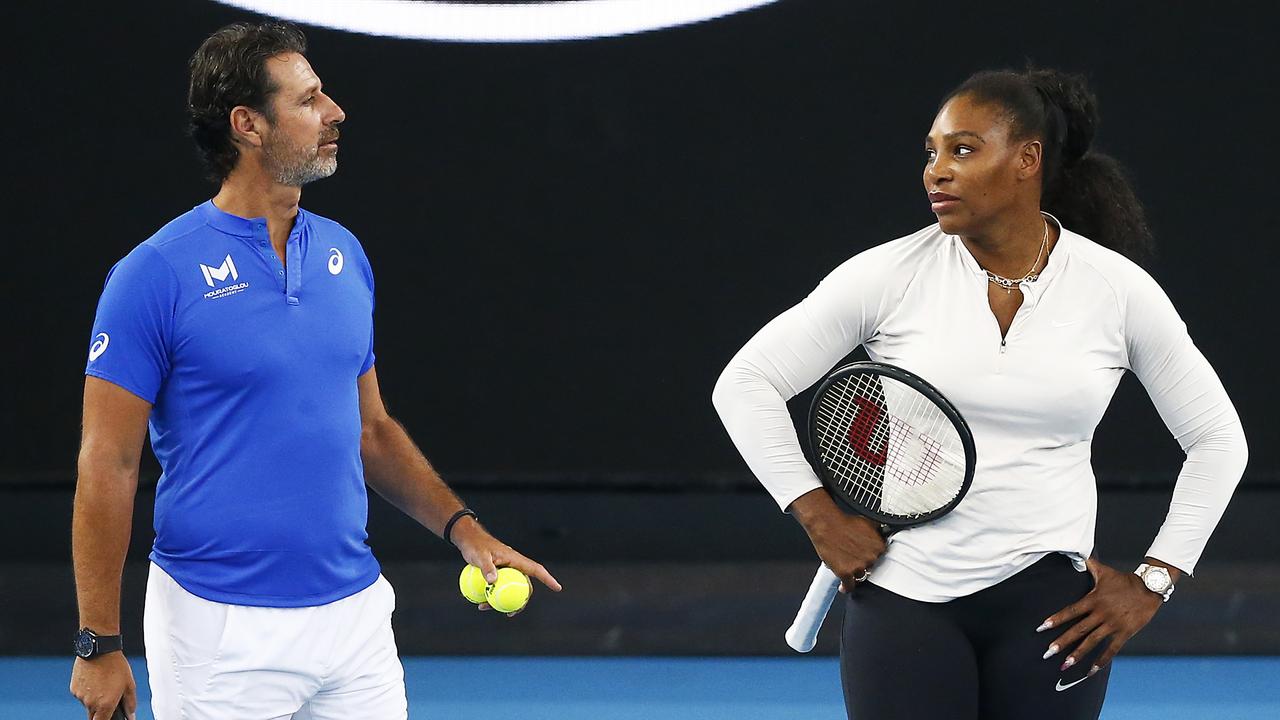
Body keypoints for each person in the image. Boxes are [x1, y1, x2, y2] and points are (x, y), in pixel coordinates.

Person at [712, 67, 1247, 719]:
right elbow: (746, 383)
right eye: (932, 152)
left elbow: (1218, 440)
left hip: (1053, 610)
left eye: (963, 150)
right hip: (904, 602)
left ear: (1027, 160)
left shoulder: (1117, 291)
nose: (937, 170)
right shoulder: (887, 276)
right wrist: (819, 515)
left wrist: (1155, 579)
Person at [69, 21, 561, 720]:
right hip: (217, 632)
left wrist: (466, 531)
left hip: (353, 620)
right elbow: (107, 464)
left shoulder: (344, 255)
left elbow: (372, 429)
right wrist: (99, 642)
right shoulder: (153, 274)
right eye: (308, 100)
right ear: (248, 125)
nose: (335, 112)